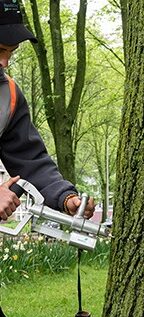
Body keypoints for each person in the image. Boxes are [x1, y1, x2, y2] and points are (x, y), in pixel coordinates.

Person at [0, 0, 95, 220]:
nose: (5, 62)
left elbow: (29, 159)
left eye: (11, 52)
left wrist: (65, 197)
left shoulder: (10, 95)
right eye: (0, 49)